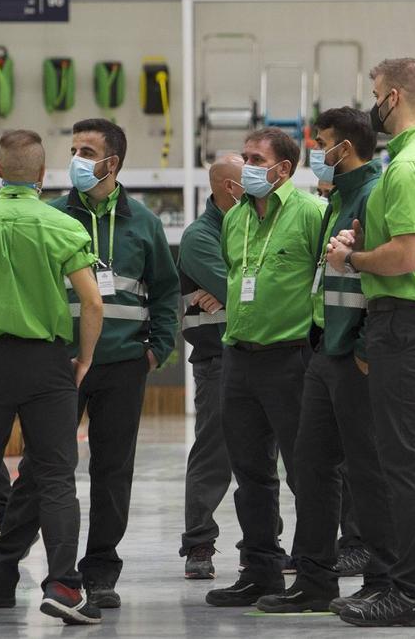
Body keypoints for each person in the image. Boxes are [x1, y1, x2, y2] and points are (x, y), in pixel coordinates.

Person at [0, 119, 179, 610]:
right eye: (72, 149)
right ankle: (3, 560)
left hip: (123, 363)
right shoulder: (51, 215)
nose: (76, 159)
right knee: (41, 470)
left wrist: (158, 347)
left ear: (112, 163)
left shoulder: (144, 223)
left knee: (113, 472)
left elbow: (167, 290)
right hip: (60, 366)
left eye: (86, 151)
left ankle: (100, 571)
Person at [0, 129, 105, 625]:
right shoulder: (61, 226)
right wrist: (84, 361)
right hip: (47, 365)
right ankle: (63, 586)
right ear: (43, 175)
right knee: (55, 478)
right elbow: (92, 303)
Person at [326, 58, 415, 627]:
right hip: (414, 319)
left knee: (401, 460)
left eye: (376, 94)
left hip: (401, 319)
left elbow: (408, 255)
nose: (371, 104)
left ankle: (411, 590)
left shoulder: (408, 168)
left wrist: (351, 257)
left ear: (396, 96)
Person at [256, 107, 397, 615]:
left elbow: (383, 279)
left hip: (355, 354)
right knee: (312, 467)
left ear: (347, 148)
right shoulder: (336, 199)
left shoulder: (373, 195)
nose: (317, 151)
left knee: (367, 472)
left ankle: (384, 578)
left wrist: (363, 348)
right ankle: (315, 581)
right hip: (324, 349)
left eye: (323, 143)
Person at [205, 128, 326, 607]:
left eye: (257, 159)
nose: (248, 167)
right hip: (239, 358)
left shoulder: (311, 214)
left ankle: (315, 575)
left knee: (306, 473)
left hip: (291, 358)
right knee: (250, 474)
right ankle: (261, 570)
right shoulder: (234, 219)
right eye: (246, 157)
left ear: (284, 169)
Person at [179, 153, 243, 579]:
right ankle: (199, 543)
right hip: (217, 358)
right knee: (213, 453)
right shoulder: (200, 238)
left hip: (259, 354)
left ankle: (264, 543)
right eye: (247, 173)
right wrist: (234, 288)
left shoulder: (257, 227)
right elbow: (233, 285)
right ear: (227, 187)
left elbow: (274, 280)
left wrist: (234, 288)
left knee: (262, 457)